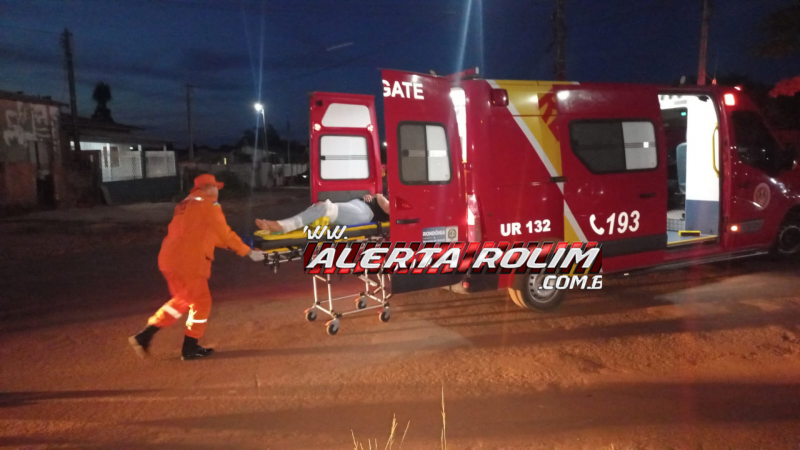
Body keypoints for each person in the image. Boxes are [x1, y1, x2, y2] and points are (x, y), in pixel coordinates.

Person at [129, 173, 265, 361]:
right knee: (200, 301)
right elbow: (224, 233)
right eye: (216, 187)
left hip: (169, 260)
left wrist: (240, 247)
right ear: (208, 188)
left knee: (184, 300)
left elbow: (206, 235)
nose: (218, 191)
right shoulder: (208, 204)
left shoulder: (185, 205)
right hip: (189, 262)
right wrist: (248, 252)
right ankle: (188, 347)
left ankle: (147, 335)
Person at [255, 192, 389, 233]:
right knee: (319, 206)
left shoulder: (396, 204)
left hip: (365, 213)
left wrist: (378, 196)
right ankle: (282, 225)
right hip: (357, 204)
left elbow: (386, 206)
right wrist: (373, 196)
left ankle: (282, 226)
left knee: (325, 208)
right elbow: (379, 198)